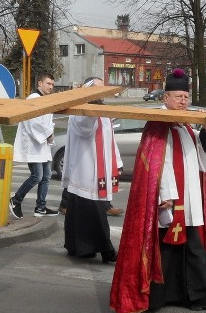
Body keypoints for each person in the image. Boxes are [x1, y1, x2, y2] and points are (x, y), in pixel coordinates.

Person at [110, 69, 206, 313]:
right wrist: (165, 194)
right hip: (169, 199)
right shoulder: (158, 125)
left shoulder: (185, 125)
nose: (183, 101)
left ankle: (199, 296)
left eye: (186, 96)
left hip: (188, 197)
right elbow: (156, 164)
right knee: (163, 247)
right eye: (178, 96)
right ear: (166, 98)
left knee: (191, 245)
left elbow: (202, 158)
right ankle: (155, 297)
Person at [61, 77, 122, 263]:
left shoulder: (102, 111)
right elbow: (85, 130)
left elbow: (109, 138)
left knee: (80, 210)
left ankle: (79, 247)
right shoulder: (79, 111)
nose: (101, 93)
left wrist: (116, 161)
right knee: (96, 211)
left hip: (99, 167)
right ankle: (106, 250)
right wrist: (93, 110)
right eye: (97, 89)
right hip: (85, 168)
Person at [9, 72, 59, 219]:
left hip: (43, 143)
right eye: (48, 83)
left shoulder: (46, 99)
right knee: (37, 176)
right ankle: (15, 200)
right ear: (40, 84)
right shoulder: (33, 99)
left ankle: (41, 207)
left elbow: (48, 121)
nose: (51, 87)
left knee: (47, 176)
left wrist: (50, 133)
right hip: (33, 142)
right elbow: (33, 122)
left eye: (52, 84)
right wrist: (48, 134)